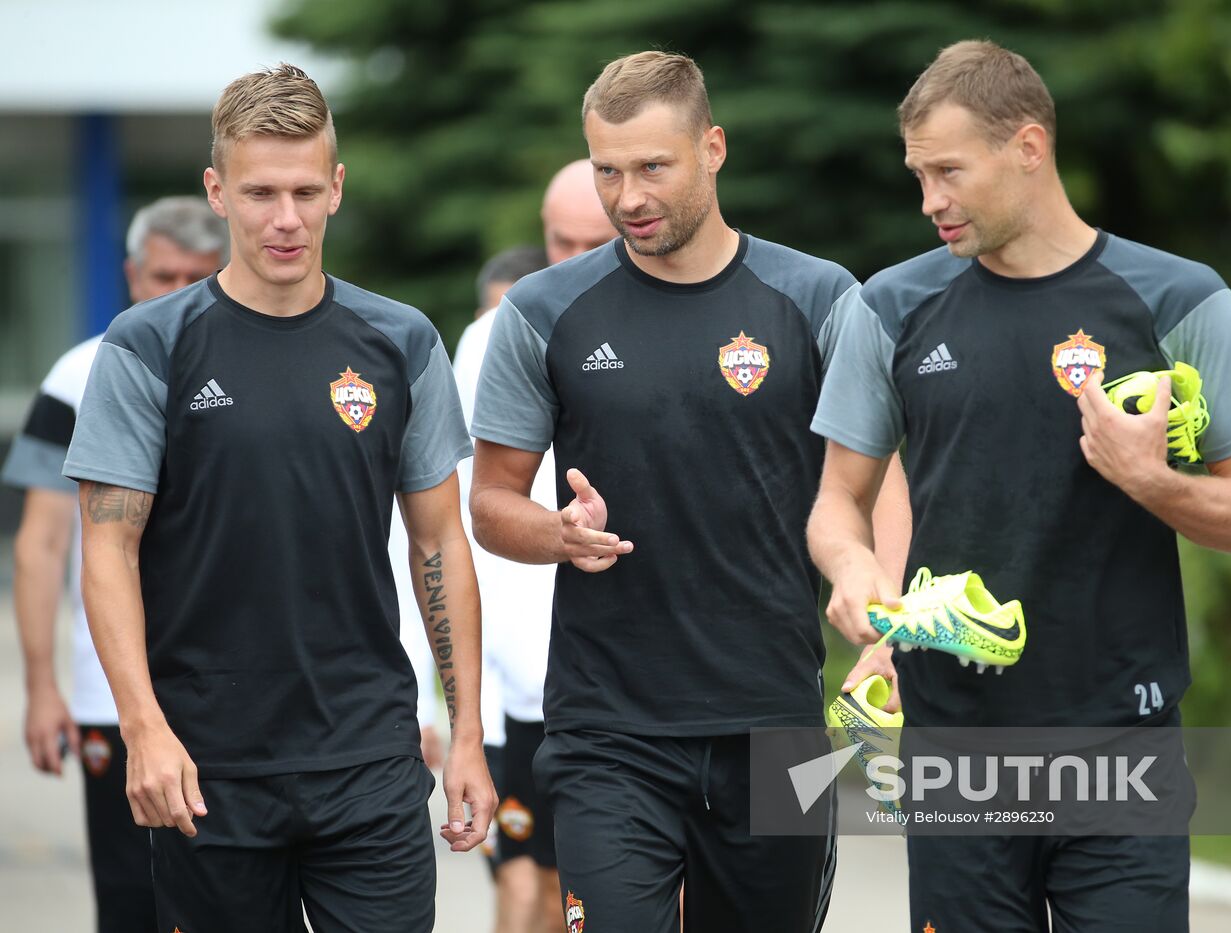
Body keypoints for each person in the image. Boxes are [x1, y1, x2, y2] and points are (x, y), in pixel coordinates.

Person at [808, 40, 1231, 933]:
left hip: (1121, 741)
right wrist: (852, 568)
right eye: (917, 176)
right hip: (956, 751)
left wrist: (1151, 478)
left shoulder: (1177, 298)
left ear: (1028, 148)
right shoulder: (889, 307)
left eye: (947, 171)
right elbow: (840, 497)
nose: (929, 202)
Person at [469, 51, 907, 932]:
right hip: (607, 732)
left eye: (651, 167)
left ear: (712, 148)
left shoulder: (820, 299)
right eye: (606, 171)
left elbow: (879, 481)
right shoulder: (542, 312)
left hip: (774, 724)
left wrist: (883, 630)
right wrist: (557, 533)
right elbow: (489, 501)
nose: (626, 196)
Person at [61, 63, 495, 932]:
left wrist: (470, 736)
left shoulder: (401, 341)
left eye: (305, 190)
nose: (286, 218)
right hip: (207, 767)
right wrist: (143, 727)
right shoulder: (148, 346)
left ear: (337, 187)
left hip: (369, 756)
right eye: (260, 192)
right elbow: (107, 547)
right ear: (218, 191)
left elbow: (439, 541)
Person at [2, 195, 225, 933]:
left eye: (197, 276)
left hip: (235, 693)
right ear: (133, 274)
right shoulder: (77, 376)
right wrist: (41, 685)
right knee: (133, 902)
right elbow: (40, 542)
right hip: (112, 694)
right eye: (163, 275)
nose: (177, 292)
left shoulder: (255, 362)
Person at [461, 163, 613, 933]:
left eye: (597, 240)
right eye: (563, 240)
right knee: (532, 891)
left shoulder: (771, 304)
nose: (578, 257)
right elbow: (447, 518)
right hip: (534, 686)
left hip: (731, 685)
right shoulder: (498, 334)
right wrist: (450, 698)